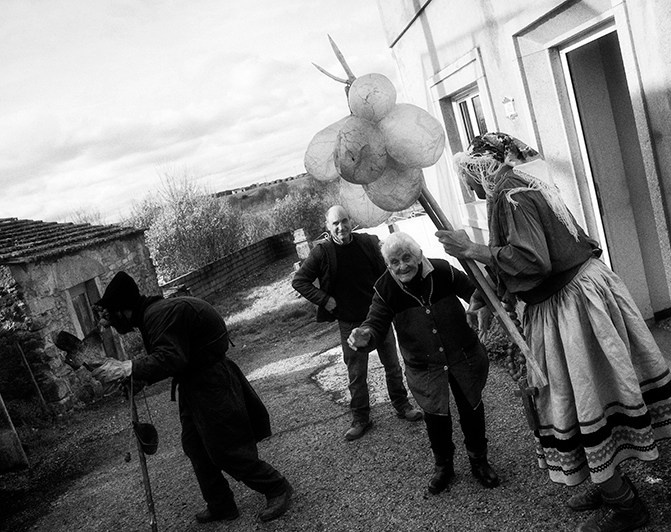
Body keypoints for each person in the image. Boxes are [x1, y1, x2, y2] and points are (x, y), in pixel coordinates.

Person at [435, 132, 671, 532]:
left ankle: (625, 506)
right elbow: (530, 254)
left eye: (467, 174)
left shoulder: (509, 193)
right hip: (578, 297)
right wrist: (484, 299)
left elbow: (532, 262)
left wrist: (472, 250)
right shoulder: (527, 184)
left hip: (570, 306)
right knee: (589, 399)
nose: (467, 185)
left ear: (482, 166)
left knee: (578, 403)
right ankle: (607, 482)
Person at [90, 271, 293, 524]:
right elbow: (172, 357)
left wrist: (128, 368)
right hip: (193, 382)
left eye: (113, 315)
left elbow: (172, 357)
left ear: (122, 310)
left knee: (225, 448)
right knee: (195, 446)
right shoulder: (151, 315)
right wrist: (140, 379)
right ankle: (221, 504)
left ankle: (277, 487)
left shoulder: (158, 314)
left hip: (210, 381)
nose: (115, 325)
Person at [347, 231, 499, 495]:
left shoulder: (441, 270)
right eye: (394, 262)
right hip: (424, 365)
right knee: (435, 415)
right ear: (388, 265)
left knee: (471, 406)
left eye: (407, 258)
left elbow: (474, 290)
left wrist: (479, 306)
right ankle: (444, 467)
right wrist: (365, 334)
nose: (402, 266)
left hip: (462, 354)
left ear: (418, 256)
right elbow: (376, 322)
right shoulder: (385, 288)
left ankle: (479, 461)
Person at [292, 205, 423, 441]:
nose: (341, 227)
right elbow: (299, 281)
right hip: (350, 322)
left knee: (392, 365)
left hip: (379, 317)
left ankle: (402, 405)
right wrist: (325, 299)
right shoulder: (322, 252)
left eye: (344, 221)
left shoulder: (369, 243)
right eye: (335, 223)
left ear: (351, 221)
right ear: (328, 227)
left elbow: (389, 267)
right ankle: (361, 418)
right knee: (356, 373)